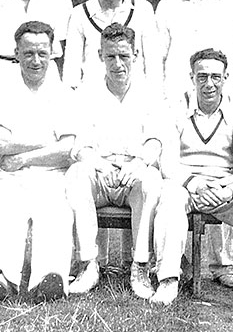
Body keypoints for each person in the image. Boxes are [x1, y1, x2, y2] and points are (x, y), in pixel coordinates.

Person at [155, 0, 233, 288]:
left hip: (222, 104)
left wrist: (226, 101)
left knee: (225, 171)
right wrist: (172, 104)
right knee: (175, 181)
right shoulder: (168, 5)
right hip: (178, 109)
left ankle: (224, 263)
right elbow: (158, 59)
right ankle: (172, 262)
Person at [151, 48, 233, 317]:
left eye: (216, 77)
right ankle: (168, 280)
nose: (209, 84)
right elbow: (167, 164)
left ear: (226, 78)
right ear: (192, 77)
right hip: (186, 185)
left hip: (224, 189)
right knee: (169, 197)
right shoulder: (174, 110)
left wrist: (228, 190)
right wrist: (195, 185)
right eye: (202, 76)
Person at [65, 23, 168, 299]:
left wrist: (138, 164)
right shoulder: (86, 92)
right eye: (111, 56)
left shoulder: (150, 92)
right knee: (76, 174)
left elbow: (156, 141)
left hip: (133, 173)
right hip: (100, 172)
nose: (118, 63)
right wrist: (99, 164)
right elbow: (79, 145)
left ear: (135, 54)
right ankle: (88, 264)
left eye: (124, 56)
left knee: (152, 182)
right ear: (100, 55)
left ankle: (140, 266)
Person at [0, 21, 75, 303]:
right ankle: (1, 276)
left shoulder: (63, 93)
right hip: (11, 177)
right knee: (7, 206)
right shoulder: (3, 90)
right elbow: (1, 143)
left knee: (56, 210)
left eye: (42, 53)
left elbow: (68, 148)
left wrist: (22, 157)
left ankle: (48, 278)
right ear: (17, 53)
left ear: (52, 53)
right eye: (29, 53)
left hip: (52, 174)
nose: (36, 60)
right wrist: (48, 142)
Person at [63, 0, 159, 90]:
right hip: (93, 98)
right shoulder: (80, 13)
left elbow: (153, 64)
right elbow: (71, 68)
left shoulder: (143, 10)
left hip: (134, 98)